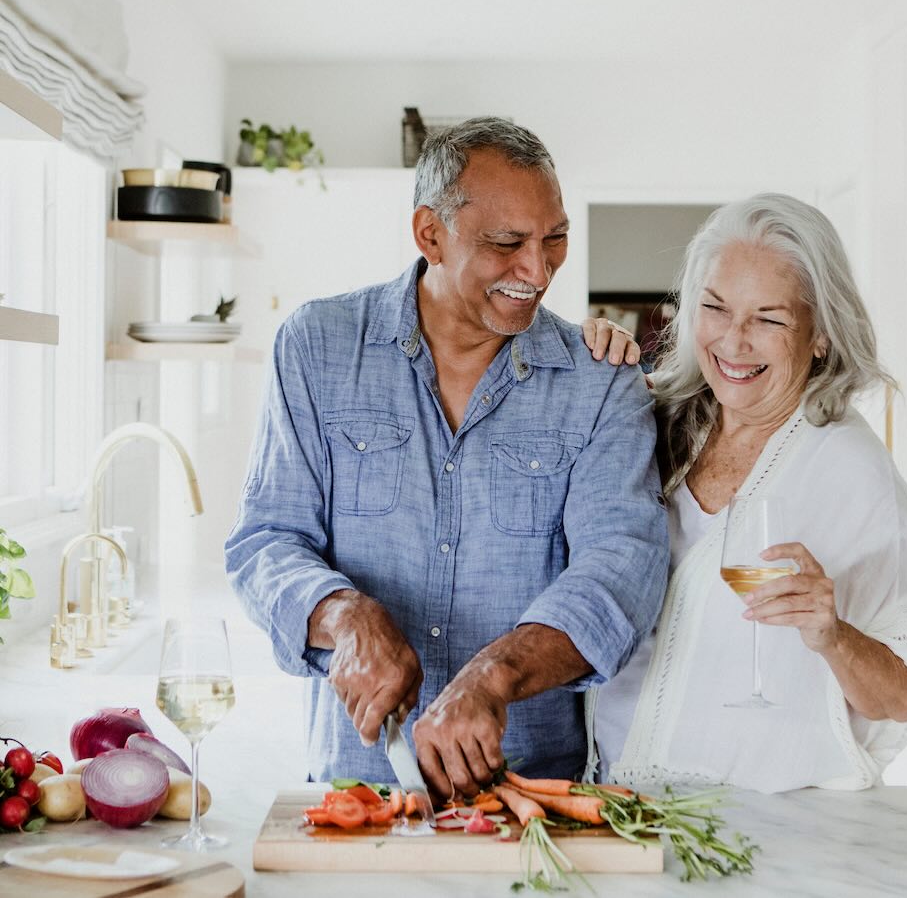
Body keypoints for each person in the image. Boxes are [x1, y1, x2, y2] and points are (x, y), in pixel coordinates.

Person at [225, 117, 669, 798]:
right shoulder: (316, 347)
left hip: (530, 794)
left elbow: (620, 572)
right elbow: (265, 540)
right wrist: (343, 615)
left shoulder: (601, 380)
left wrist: (494, 675)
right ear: (430, 234)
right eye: (506, 244)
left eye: (555, 240)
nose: (538, 270)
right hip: (355, 788)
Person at [586, 193, 907, 793]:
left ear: (821, 335)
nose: (733, 341)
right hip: (612, 800)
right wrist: (585, 358)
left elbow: (904, 695)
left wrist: (833, 634)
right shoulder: (653, 420)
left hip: (758, 826)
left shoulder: (853, 473)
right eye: (715, 308)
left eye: (769, 319)